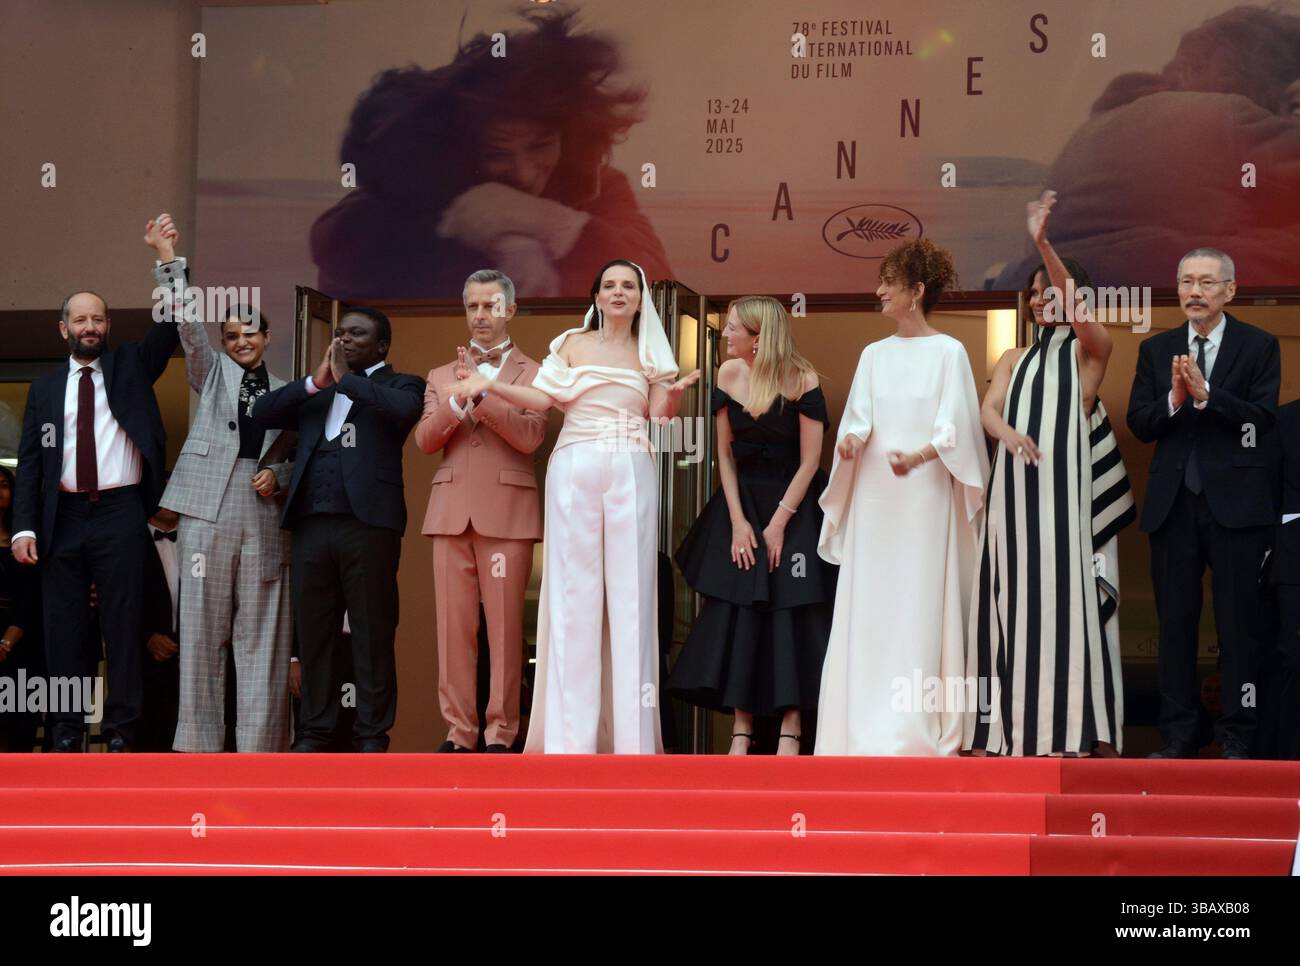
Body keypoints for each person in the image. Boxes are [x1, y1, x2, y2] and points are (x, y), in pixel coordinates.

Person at [447, 259, 699, 754]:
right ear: (597, 296)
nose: (619, 292)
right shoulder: (570, 342)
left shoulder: (651, 350)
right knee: (572, 597)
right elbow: (541, 400)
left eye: (629, 286)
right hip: (574, 465)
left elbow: (659, 417)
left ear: (640, 297)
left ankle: (632, 742)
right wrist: (487, 384)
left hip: (631, 465)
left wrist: (672, 399)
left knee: (631, 598)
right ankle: (570, 742)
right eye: (610, 285)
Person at [310, 8, 670, 300]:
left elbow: (658, 289)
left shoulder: (601, 187)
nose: (523, 173)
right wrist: (503, 247)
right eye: (497, 152)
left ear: (569, 135)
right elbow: (340, 250)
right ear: (464, 145)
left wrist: (551, 223)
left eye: (540, 145)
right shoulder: (407, 191)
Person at [965, 192, 1136, 758]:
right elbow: (988, 410)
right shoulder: (1012, 358)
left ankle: (1066, 734)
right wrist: (1007, 434)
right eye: (1034, 294)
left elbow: (1079, 313)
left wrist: (1042, 243)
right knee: (1007, 611)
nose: (1040, 301)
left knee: (1060, 614)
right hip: (1010, 508)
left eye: (1049, 292)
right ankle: (1002, 734)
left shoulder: (1090, 353)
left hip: (1061, 512)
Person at [11, 221, 181, 752]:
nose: (90, 326)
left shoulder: (131, 365)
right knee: (64, 629)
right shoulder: (44, 388)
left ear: (108, 325)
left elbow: (172, 323)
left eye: (98, 318)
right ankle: (66, 734)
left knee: (123, 625)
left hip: (120, 512)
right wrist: (23, 528)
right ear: (63, 328)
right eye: (80, 319)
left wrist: (166, 257)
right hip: (61, 518)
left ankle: (122, 733)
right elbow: (31, 464)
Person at [815, 239, 988, 757]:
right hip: (875, 496)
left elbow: (956, 428)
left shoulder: (949, 352)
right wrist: (850, 442)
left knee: (917, 600)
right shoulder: (873, 354)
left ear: (916, 290)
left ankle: (913, 724)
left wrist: (918, 457)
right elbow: (858, 420)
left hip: (923, 496)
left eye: (889, 283)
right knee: (872, 603)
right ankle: (860, 727)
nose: (879, 292)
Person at [146, 214, 296, 753]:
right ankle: (199, 749)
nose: (240, 341)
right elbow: (189, 325)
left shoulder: (290, 390)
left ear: (266, 338)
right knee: (202, 631)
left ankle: (260, 751)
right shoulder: (209, 373)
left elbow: (304, 458)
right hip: (207, 504)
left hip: (264, 508)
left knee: (263, 633)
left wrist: (278, 475)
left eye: (249, 333)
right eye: (231, 335)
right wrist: (168, 260)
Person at [1128, 248, 1280, 759]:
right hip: (1173, 505)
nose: (1195, 292)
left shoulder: (1259, 346)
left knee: (1239, 626)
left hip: (1237, 507)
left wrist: (1208, 395)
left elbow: (1261, 419)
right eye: (1187, 281)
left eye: (1207, 283)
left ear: (1230, 290)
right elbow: (1139, 423)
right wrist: (1174, 400)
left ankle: (1238, 734)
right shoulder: (1156, 349)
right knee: (1175, 625)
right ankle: (1178, 734)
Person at [251, 307, 425, 752]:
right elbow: (261, 412)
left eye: (356, 334)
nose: (344, 339)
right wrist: (315, 382)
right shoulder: (319, 391)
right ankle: (315, 732)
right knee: (315, 634)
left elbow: (405, 412)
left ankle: (371, 734)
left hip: (369, 527)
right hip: (311, 526)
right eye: (340, 333)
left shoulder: (402, 385)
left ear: (381, 346)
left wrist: (346, 378)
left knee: (371, 633)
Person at [667, 295, 834, 755]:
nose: (724, 333)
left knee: (792, 610)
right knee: (739, 608)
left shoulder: (802, 378)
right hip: (741, 504)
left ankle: (791, 728)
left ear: (758, 337)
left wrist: (779, 523)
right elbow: (724, 454)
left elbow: (810, 461)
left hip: (794, 505)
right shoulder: (728, 373)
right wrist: (738, 522)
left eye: (733, 327)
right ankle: (742, 729)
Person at [415, 269, 546, 753]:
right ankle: (459, 732)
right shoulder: (440, 375)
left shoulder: (535, 372)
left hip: (508, 512)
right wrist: (457, 400)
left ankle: (502, 732)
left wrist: (484, 392)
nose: (480, 315)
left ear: (510, 310)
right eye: (472, 306)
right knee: (453, 630)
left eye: (490, 305)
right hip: (450, 513)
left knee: (506, 630)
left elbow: (530, 437)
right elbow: (425, 440)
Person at [0, 467, 44, 752]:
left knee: (17, 725)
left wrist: (6, 643)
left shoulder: (25, 543)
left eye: (4, 485)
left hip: (20, 640)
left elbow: (31, 597)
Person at [1267, 399, 1300, 760]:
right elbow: (1269, 493)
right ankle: (1290, 760)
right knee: (1293, 659)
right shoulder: (1284, 420)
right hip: (1294, 556)